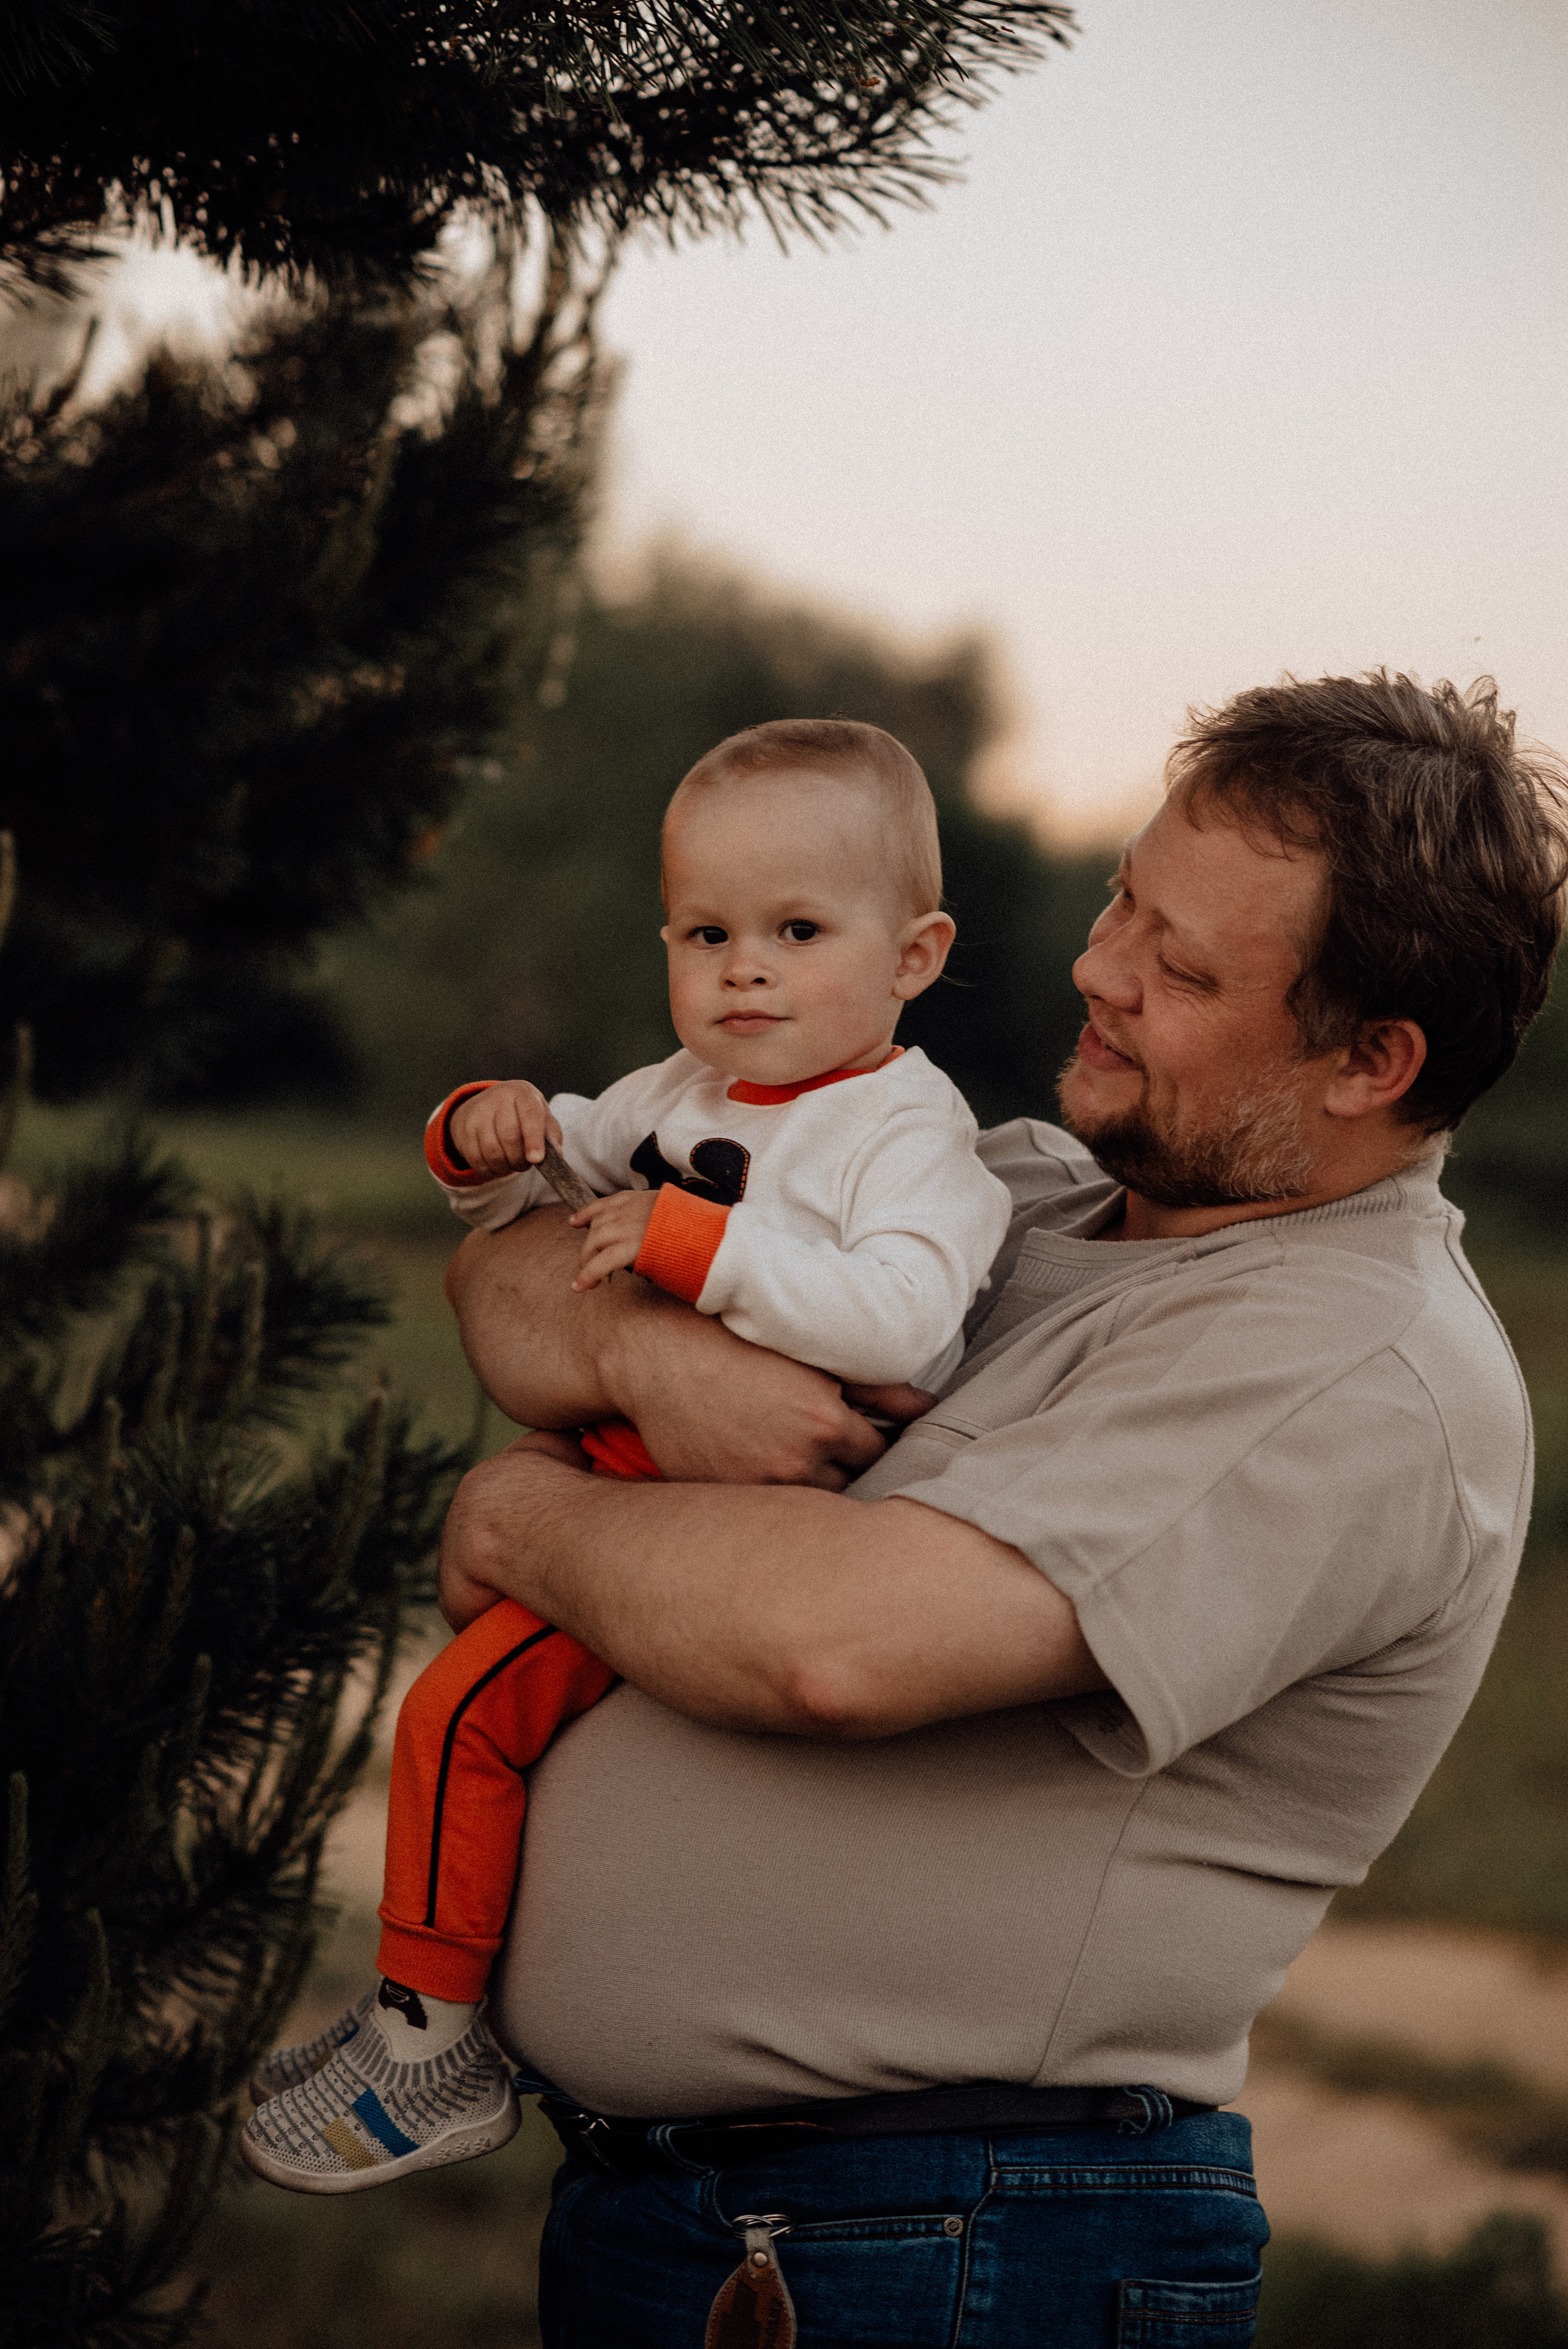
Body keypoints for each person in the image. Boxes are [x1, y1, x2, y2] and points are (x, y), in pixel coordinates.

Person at [432, 674, 1563, 2348]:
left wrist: (524, 1527)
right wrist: (646, 1360)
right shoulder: (1023, 1184)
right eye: (1126, 897)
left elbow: (833, 1645)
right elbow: (507, 1277)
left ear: (1370, 1059)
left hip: (950, 2239)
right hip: (745, 2218)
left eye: (1181, 968)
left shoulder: (1351, 1368)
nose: (1101, 967)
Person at [241, 719, 1011, 2195]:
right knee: (495, 1725)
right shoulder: (677, 1096)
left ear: (913, 956)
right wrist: (487, 1138)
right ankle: (448, 2004)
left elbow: (907, 1323)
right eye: (706, 932)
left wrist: (694, 1250)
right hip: (623, 1478)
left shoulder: (908, 1137)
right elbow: (541, 1198)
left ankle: (432, 2048)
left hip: (740, 1516)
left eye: (796, 930)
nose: (744, 970)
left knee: (457, 1717)